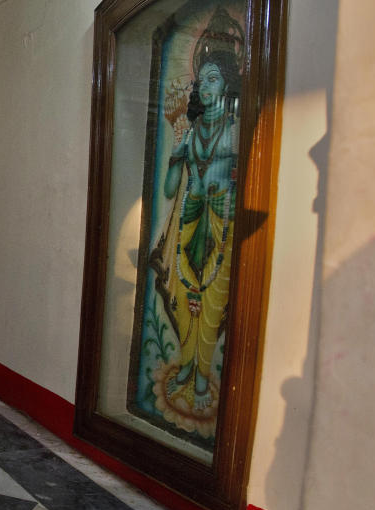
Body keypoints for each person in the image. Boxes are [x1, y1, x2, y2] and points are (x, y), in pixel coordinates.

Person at [149, 9, 243, 438]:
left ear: (227, 84)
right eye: (200, 80)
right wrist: (176, 147)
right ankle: (187, 365)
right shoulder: (190, 131)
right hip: (188, 222)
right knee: (184, 295)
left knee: (213, 304)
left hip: (221, 226)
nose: (203, 87)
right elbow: (170, 188)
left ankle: (202, 376)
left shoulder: (236, 131)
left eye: (211, 80)